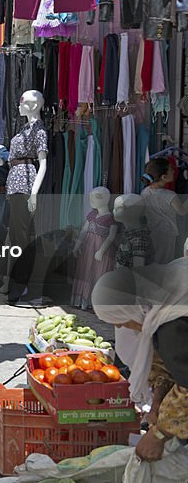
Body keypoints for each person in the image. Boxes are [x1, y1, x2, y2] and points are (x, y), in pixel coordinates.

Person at [92, 261, 188, 463]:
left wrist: (159, 434)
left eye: (123, 320)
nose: (123, 326)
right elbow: (175, 365)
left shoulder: (172, 326)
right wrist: (158, 399)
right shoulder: (166, 297)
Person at [141, 158, 188, 265]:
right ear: (164, 177)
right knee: (165, 261)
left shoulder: (145, 192)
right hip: (167, 234)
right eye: (171, 169)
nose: (174, 171)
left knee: (153, 260)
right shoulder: (169, 196)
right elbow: (182, 211)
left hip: (151, 231)